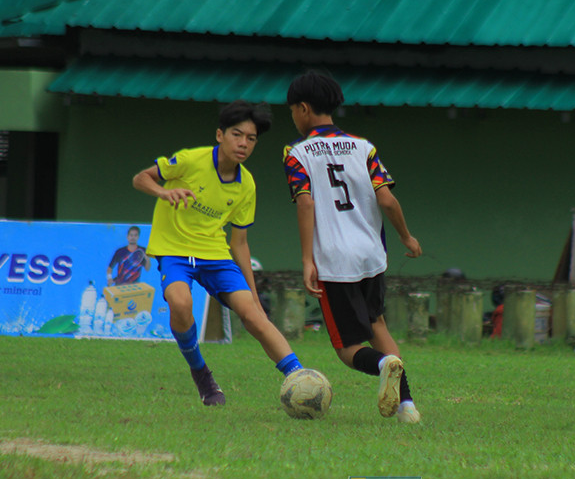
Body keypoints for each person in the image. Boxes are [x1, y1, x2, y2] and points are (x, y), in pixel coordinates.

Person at [133, 100, 303, 406]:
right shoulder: (189, 160)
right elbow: (141, 178)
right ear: (219, 134)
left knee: (254, 316)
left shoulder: (246, 184)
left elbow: (240, 243)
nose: (244, 144)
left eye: (251, 139)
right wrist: (164, 191)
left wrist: (253, 293)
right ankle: (201, 374)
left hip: (215, 255)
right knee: (180, 303)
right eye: (237, 135)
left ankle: (302, 380)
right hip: (174, 253)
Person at [283, 70, 423, 424]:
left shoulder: (297, 153)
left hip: (334, 260)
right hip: (371, 256)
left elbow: (306, 203)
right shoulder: (364, 147)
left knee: (347, 349)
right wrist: (406, 236)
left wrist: (306, 259)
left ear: (302, 108)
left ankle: (381, 365)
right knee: (377, 325)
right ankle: (407, 406)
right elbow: (387, 200)